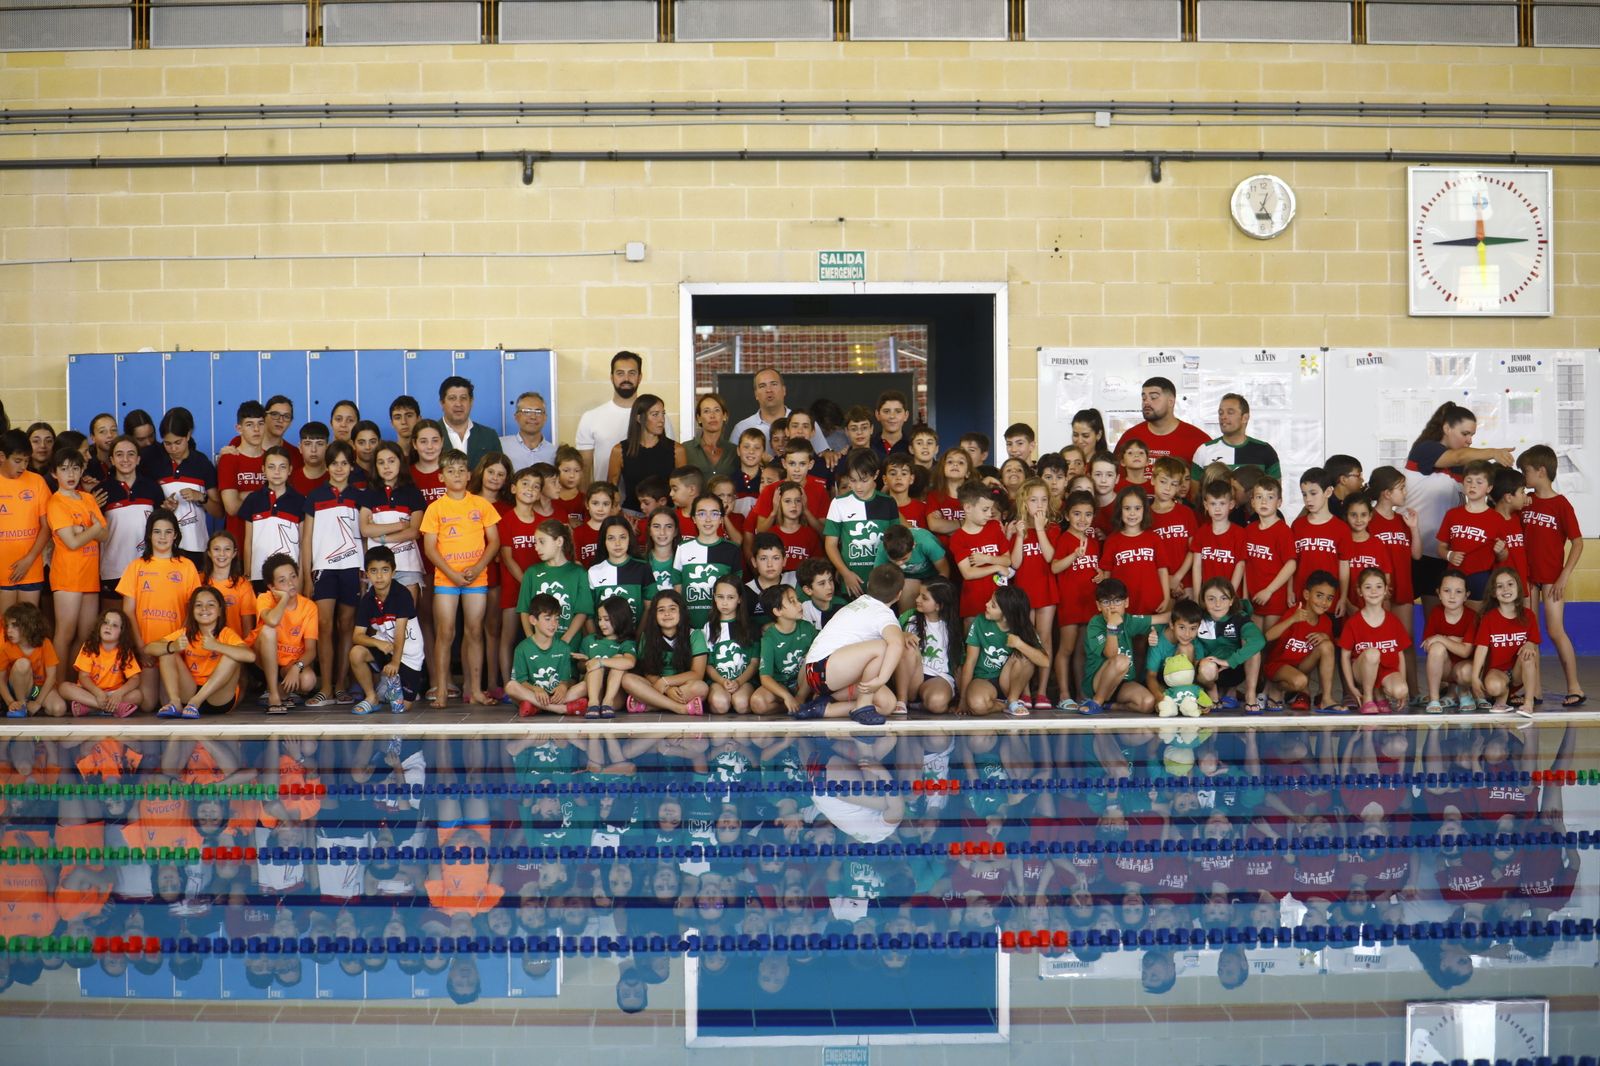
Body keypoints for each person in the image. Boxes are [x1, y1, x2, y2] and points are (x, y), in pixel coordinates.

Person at [421, 449, 502, 707]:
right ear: (441, 477)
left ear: (469, 475)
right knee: (445, 632)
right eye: (450, 471)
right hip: (446, 580)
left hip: (476, 580)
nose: (456, 475)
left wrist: (478, 568)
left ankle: (476, 690)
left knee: (475, 631)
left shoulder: (481, 505)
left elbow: (495, 542)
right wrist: (452, 574)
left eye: (460, 471)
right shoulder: (435, 509)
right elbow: (430, 548)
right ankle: (442, 691)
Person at [794, 563, 906, 725]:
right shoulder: (883, 614)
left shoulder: (861, 602)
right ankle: (863, 705)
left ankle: (824, 708)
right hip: (822, 669)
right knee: (883, 647)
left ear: (868, 585)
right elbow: (897, 643)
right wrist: (882, 679)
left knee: (887, 704)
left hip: (820, 673)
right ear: (899, 594)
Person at [1517, 444, 1584, 707]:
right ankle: (1534, 689)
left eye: (1526, 472)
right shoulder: (1526, 502)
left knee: (1555, 630)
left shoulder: (1560, 504)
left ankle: (1575, 686)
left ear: (1541, 472)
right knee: (1529, 634)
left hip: (1552, 579)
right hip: (1528, 579)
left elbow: (1578, 542)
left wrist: (1564, 577)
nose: (1524, 477)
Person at [116, 510, 201, 710]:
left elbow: (193, 611)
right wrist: (141, 648)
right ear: (149, 535)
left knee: (167, 701)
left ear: (176, 536)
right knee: (147, 705)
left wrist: (181, 643)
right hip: (146, 647)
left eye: (168, 532)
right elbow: (128, 611)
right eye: (157, 532)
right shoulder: (136, 567)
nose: (162, 537)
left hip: (174, 652)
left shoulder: (186, 566)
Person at [148, 586, 253, 719]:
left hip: (217, 698)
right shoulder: (186, 633)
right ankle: (175, 702)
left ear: (220, 610)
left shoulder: (226, 633)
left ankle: (196, 701)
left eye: (211, 604)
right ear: (192, 611)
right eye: (198, 605)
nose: (204, 609)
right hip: (189, 692)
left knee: (233, 655)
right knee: (166, 650)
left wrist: (217, 646)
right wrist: (172, 646)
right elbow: (149, 648)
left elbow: (250, 656)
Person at [46, 447, 107, 673]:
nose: (70, 475)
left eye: (74, 468)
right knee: (65, 632)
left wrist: (82, 529)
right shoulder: (56, 503)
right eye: (64, 469)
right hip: (67, 576)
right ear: (55, 474)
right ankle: (56, 685)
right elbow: (72, 543)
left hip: (89, 575)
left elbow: (105, 535)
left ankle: (71, 683)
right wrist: (92, 527)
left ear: (82, 470)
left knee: (86, 634)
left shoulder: (88, 498)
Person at [349, 546, 426, 716]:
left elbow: (400, 633)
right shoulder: (368, 600)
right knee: (356, 653)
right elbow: (357, 636)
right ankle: (372, 697)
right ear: (367, 574)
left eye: (384, 570)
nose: (379, 576)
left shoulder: (402, 594)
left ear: (393, 572)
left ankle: (391, 681)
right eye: (374, 571)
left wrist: (395, 663)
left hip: (408, 656)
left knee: (401, 707)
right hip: (385, 648)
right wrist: (378, 643)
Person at [576, 351, 675, 484]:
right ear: (612, 377)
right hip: (606, 501)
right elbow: (585, 469)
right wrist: (585, 503)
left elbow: (670, 461)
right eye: (620, 373)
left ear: (640, 377)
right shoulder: (590, 418)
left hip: (652, 501)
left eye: (632, 373)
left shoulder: (660, 419)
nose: (626, 378)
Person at [140, 407, 221, 567]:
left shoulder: (201, 463)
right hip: (163, 547)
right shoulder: (153, 463)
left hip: (196, 547)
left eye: (178, 442)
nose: (173, 448)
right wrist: (163, 508)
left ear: (188, 435)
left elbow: (219, 511)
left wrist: (201, 497)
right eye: (167, 444)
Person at [823, 449, 900, 598]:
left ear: (876, 475)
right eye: (853, 480)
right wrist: (846, 573)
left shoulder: (888, 503)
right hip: (851, 583)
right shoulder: (839, 503)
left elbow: (895, 543)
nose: (858, 487)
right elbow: (830, 544)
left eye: (864, 480)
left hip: (883, 582)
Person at [252, 551, 319, 715]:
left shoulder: (309, 607)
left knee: (309, 680)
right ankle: (274, 695)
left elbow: (311, 650)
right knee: (268, 630)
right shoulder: (265, 598)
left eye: (293, 577)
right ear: (271, 587)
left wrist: (297, 667)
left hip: (289, 665)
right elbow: (272, 621)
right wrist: (283, 599)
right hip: (262, 662)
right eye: (282, 581)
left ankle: (282, 691)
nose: (290, 584)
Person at [1470, 567, 1541, 717]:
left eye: (1510, 584)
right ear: (1494, 592)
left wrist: (1530, 643)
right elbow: (1481, 649)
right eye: (1500, 586)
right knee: (1493, 687)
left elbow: (1533, 642)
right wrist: (1475, 677)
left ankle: (1528, 703)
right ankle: (1503, 697)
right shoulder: (1488, 618)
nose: (1505, 589)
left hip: (1518, 673)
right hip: (1497, 673)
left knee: (1529, 655)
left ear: (1518, 588)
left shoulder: (1528, 615)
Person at [606, 393, 686, 516]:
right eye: (655, 415)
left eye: (663, 414)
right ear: (639, 418)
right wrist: (621, 515)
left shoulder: (677, 450)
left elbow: (683, 490)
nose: (662, 420)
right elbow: (611, 489)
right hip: (631, 515)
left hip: (667, 515)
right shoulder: (619, 450)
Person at [0, 429, 52, 612]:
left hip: (31, 569)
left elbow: (46, 526)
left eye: (26, 461)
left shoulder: (37, 482)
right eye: (17, 461)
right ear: (1, 457)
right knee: (4, 629)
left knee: (27, 627)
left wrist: (29, 559)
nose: (23, 466)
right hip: (2, 570)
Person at [58, 608, 141, 718]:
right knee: (64, 688)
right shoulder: (90, 646)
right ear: (99, 626)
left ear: (122, 632)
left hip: (114, 694)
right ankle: (113, 708)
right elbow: (83, 677)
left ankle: (90, 707)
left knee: (138, 695)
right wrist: (98, 693)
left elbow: (135, 679)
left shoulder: (125, 651)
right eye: (105, 622)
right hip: (91, 692)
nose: (108, 626)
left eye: (114, 625)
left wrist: (119, 694)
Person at [728, 367, 831, 455]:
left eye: (774, 384)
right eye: (762, 386)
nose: (769, 390)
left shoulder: (804, 423)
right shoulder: (741, 428)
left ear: (784, 390)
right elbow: (733, 465)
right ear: (756, 394)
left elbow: (823, 455)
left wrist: (828, 454)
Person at [1113, 377, 1211, 465]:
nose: (1146, 402)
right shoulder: (1130, 437)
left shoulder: (1198, 440)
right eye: (1144, 398)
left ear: (1171, 402)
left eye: (1153, 397)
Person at [1189, 393, 1282, 483]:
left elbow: (1274, 494)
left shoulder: (1265, 451)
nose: (1223, 417)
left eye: (1230, 412)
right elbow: (1196, 496)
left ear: (1245, 418)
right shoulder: (1204, 450)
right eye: (1220, 413)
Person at [217, 401, 268, 544]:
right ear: (239, 428)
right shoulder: (229, 459)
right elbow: (232, 507)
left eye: (261, 423)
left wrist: (241, 495)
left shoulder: (271, 459)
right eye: (250, 424)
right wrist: (261, 494)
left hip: (267, 541)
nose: (256, 429)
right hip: (238, 541)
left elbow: (277, 500)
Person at [437, 376, 501, 468]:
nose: (458, 404)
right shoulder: (430, 435)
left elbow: (499, 472)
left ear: (471, 402)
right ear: (442, 403)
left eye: (463, 398)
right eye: (452, 398)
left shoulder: (489, 436)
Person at [682, 392, 736, 483]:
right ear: (699, 418)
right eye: (706, 411)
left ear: (724, 416)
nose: (712, 416)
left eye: (717, 410)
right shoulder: (685, 449)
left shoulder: (734, 451)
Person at [499, 391, 557, 469]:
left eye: (538, 412)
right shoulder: (501, 446)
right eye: (527, 412)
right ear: (516, 416)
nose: (533, 417)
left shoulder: (554, 453)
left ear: (545, 418)